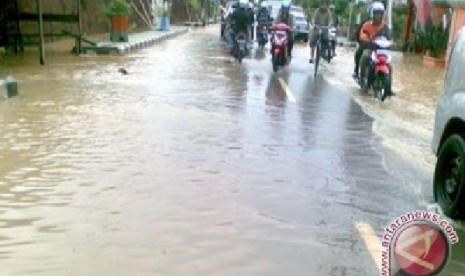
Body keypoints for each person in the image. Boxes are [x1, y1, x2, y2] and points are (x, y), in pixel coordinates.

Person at [356, 1, 392, 85]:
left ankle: (389, 88)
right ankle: (361, 77)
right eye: (376, 13)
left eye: (380, 14)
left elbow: (390, 38)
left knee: (389, 66)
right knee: (365, 57)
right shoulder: (367, 25)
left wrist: (392, 43)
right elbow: (362, 34)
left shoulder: (385, 26)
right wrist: (366, 39)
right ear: (373, 14)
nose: (378, 16)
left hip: (381, 51)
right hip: (370, 48)